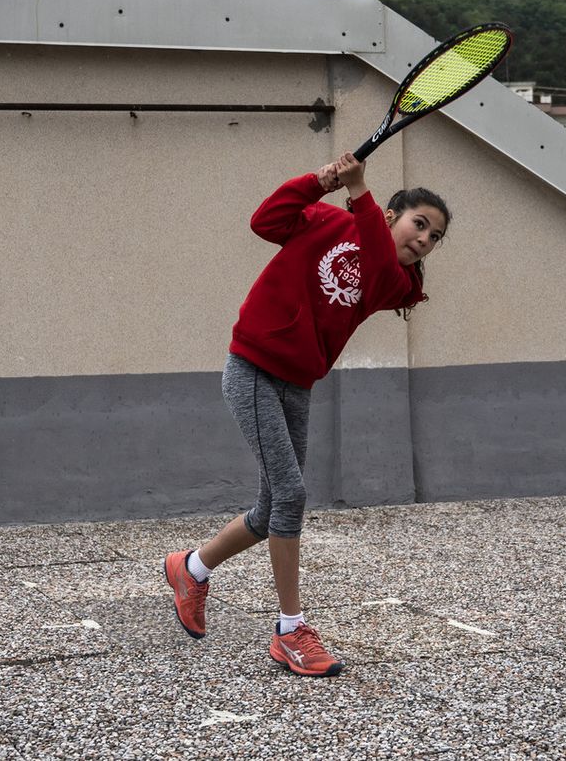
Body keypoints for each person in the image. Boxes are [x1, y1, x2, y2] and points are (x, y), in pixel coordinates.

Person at [163, 152, 450, 677]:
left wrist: (359, 190)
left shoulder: (398, 284)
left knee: (273, 503)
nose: (426, 240)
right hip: (252, 366)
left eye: (435, 237)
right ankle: (290, 629)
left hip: (297, 382)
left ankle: (192, 567)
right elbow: (265, 221)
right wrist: (317, 183)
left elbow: (376, 261)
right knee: (291, 495)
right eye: (420, 224)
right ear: (392, 215)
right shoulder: (330, 219)